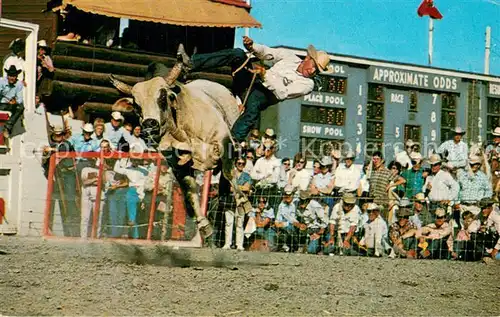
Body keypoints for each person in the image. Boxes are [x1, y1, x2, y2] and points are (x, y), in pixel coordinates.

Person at [176, 36, 331, 145]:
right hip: (253, 81)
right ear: (307, 58)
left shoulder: (307, 85)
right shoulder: (289, 56)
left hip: (264, 95)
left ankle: (233, 141)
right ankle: (190, 64)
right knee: (237, 53)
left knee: (254, 104)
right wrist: (252, 46)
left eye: (317, 71)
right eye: (314, 66)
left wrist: (265, 74)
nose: (313, 71)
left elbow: (282, 92)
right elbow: (268, 52)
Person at [0, 65, 25, 139]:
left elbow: (20, 99)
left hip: (9, 104)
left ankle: (7, 127)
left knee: (20, 107)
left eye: (14, 76)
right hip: (0, 102)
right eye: (10, 76)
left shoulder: (19, 84)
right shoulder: (1, 81)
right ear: (7, 76)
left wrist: (15, 101)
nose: (12, 78)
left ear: (16, 77)